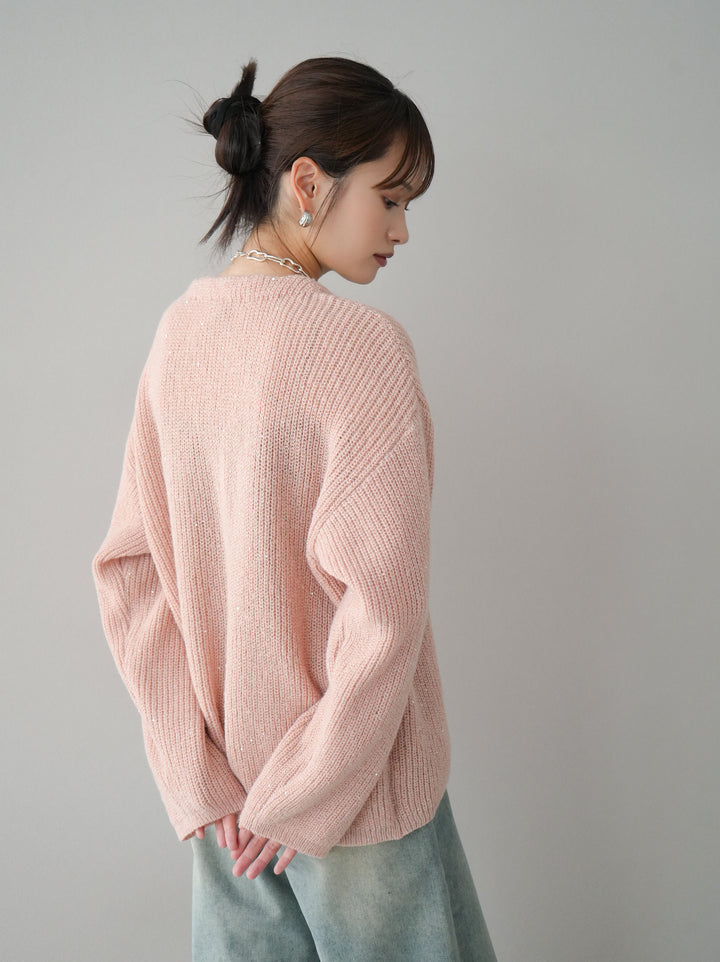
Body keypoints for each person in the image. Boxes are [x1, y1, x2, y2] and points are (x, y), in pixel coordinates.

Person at [92, 56, 497, 962]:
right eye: (390, 198)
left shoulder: (180, 334)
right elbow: (383, 613)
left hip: (230, 814)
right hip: (356, 802)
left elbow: (129, 577)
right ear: (308, 184)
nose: (401, 229)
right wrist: (309, 790)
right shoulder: (362, 349)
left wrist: (196, 775)